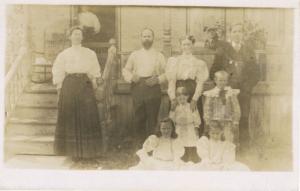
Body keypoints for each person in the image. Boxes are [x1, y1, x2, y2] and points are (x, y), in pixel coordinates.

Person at [52, 26, 102, 169]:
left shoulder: (90, 53)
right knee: (71, 117)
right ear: (70, 37)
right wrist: (59, 89)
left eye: (79, 34)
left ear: (82, 37)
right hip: (69, 85)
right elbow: (58, 71)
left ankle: (88, 153)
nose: (77, 36)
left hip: (85, 85)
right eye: (74, 34)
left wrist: (95, 86)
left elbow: (95, 71)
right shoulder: (63, 54)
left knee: (87, 117)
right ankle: (72, 152)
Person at [209, 23, 260, 148]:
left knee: (243, 116)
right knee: (225, 118)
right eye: (235, 31)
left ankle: (243, 147)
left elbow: (256, 73)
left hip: (244, 91)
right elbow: (213, 71)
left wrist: (247, 87)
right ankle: (223, 145)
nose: (237, 34)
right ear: (230, 34)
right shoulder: (223, 50)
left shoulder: (248, 50)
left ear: (243, 34)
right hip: (226, 91)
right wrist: (222, 86)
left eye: (240, 31)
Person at [122, 28, 167, 148]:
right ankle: (140, 145)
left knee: (152, 116)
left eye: (149, 36)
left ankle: (152, 145)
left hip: (153, 87)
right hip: (138, 87)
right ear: (141, 39)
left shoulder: (159, 55)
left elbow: (168, 73)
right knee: (139, 116)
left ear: (153, 39)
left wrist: (157, 79)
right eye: (144, 36)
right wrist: (132, 77)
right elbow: (126, 70)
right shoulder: (135, 55)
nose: (146, 39)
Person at [167, 35, 209, 136]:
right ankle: (176, 141)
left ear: (192, 45)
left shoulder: (198, 63)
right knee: (177, 114)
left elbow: (200, 82)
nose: (186, 47)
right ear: (180, 46)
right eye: (184, 44)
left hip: (192, 89)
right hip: (178, 90)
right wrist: (173, 98)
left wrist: (195, 99)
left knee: (194, 115)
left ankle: (195, 142)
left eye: (189, 44)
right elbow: (172, 81)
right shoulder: (174, 61)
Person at [203, 70, 241, 147]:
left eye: (224, 80)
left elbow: (236, 107)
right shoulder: (211, 94)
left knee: (228, 139)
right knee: (216, 140)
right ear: (215, 80)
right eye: (220, 80)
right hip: (215, 121)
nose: (222, 83)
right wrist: (208, 121)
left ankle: (228, 155)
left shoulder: (231, 93)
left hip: (228, 121)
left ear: (227, 81)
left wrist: (236, 121)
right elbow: (207, 108)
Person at [169, 86, 201, 163]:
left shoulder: (191, 106)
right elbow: (171, 119)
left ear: (188, 96)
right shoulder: (175, 107)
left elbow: (196, 117)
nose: (181, 96)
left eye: (184, 94)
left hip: (190, 127)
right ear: (176, 97)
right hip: (179, 128)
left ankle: (191, 158)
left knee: (191, 142)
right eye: (178, 95)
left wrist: (196, 127)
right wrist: (172, 110)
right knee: (180, 143)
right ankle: (181, 159)